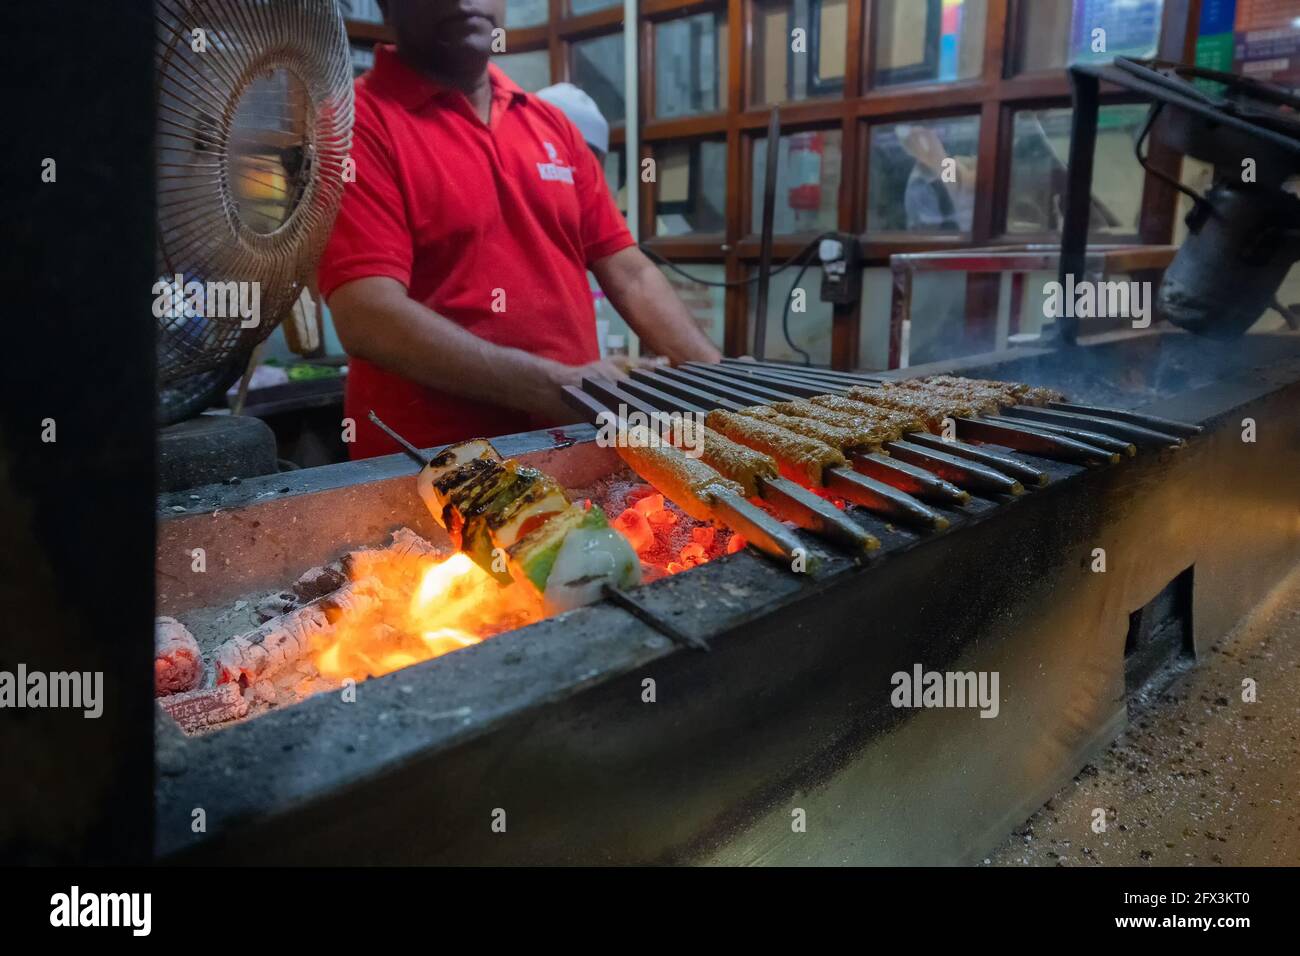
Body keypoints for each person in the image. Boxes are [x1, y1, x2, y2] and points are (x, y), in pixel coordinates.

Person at [319, 0, 721, 460]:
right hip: (433, 469)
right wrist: (556, 385)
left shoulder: (550, 125)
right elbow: (367, 316)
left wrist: (714, 372)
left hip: (572, 449)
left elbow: (628, 271)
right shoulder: (355, 124)